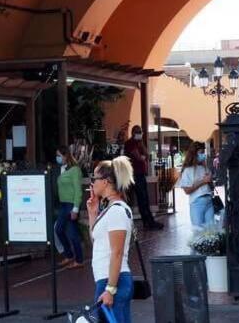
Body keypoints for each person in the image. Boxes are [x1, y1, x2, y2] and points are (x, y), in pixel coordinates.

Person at [87, 156, 136, 323]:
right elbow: (97, 242)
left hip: (114, 281)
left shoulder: (116, 211)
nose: (92, 183)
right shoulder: (109, 210)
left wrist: (110, 289)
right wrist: (93, 213)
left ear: (106, 181)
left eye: (94, 178)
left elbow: (117, 252)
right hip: (108, 279)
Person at [123, 125, 164, 230]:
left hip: (140, 174)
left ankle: (148, 222)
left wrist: (143, 151)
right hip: (135, 174)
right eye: (138, 132)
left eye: (141, 131)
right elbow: (139, 157)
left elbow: (147, 156)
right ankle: (147, 222)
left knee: (144, 199)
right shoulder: (130, 143)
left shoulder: (139, 143)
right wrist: (143, 156)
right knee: (141, 199)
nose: (140, 133)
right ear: (133, 133)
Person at [55, 145, 84, 267]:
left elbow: (78, 190)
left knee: (72, 233)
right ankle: (69, 255)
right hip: (63, 204)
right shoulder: (62, 169)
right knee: (59, 229)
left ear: (66, 156)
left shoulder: (75, 170)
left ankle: (79, 260)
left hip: (71, 205)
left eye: (59, 156)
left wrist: (75, 208)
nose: (57, 158)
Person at [178, 142, 215, 228]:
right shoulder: (187, 170)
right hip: (197, 202)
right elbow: (187, 190)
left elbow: (211, 187)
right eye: (201, 153)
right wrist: (203, 181)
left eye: (203, 152)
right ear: (194, 154)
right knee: (198, 232)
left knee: (211, 231)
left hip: (209, 200)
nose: (203, 155)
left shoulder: (205, 168)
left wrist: (210, 181)